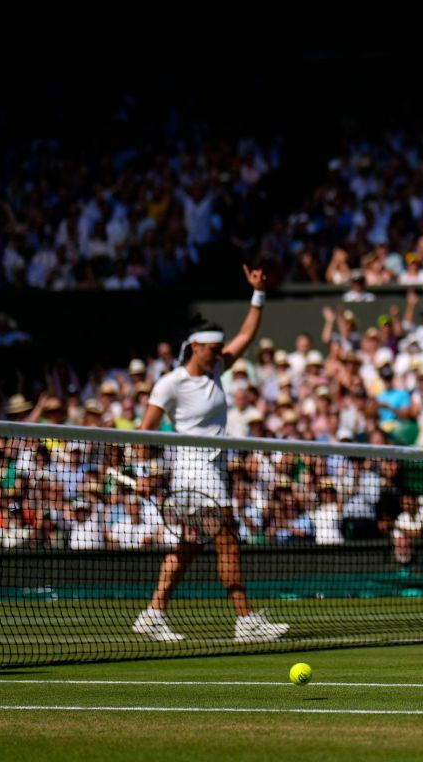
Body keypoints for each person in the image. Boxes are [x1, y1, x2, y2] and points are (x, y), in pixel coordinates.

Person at [132, 264, 289, 644]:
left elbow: (247, 335)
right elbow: (144, 432)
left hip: (214, 471)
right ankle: (245, 620)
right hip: (191, 473)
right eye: (214, 348)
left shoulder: (217, 368)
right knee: (227, 538)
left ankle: (152, 613)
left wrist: (258, 293)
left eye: (221, 348)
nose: (221, 352)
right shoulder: (171, 384)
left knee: (188, 545)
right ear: (195, 346)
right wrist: (142, 471)